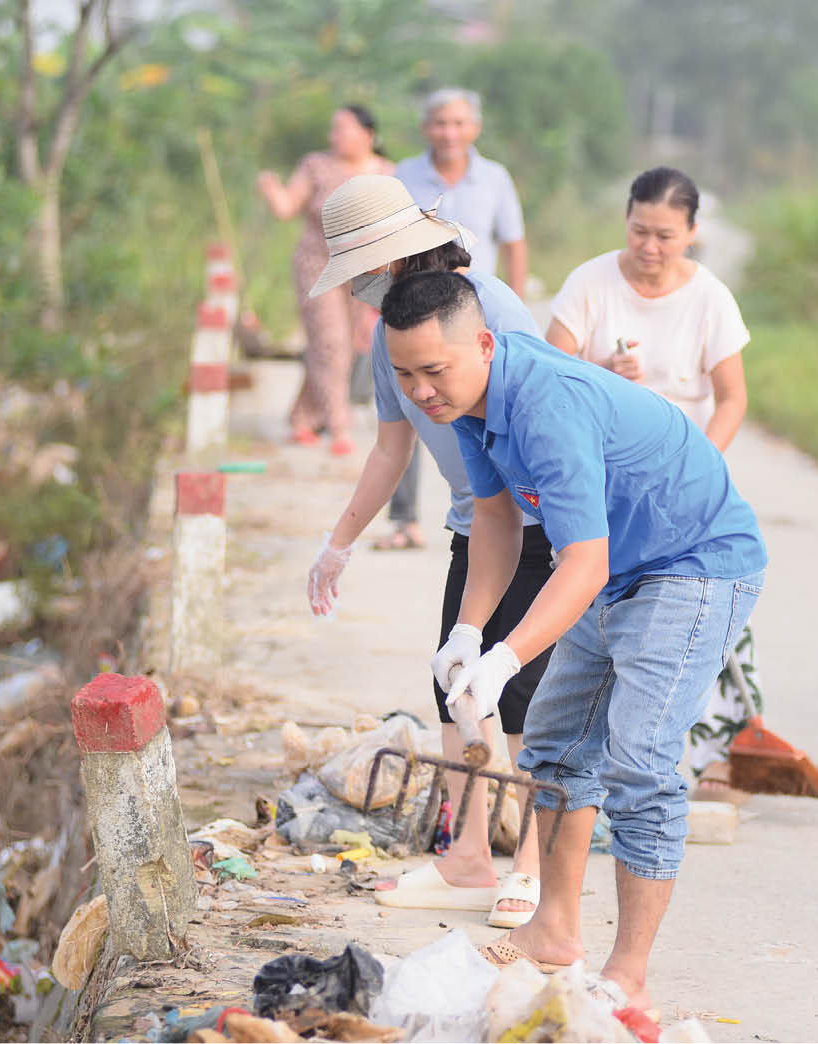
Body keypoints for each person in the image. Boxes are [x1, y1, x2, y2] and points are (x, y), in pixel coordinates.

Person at [380, 269, 766, 1010]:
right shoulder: (469, 405)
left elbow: (580, 561)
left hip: (693, 563)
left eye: (434, 370)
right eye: (405, 374)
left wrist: (506, 656)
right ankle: (553, 932)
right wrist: (467, 629)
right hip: (617, 562)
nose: (422, 390)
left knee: (640, 758)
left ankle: (629, 973)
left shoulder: (545, 403)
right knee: (556, 743)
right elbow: (494, 520)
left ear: (484, 345)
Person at [303, 175, 551, 928]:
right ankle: (468, 854)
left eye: (367, 271)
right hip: (474, 521)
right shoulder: (388, 331)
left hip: (541, 527)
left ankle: (530, 871)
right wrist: (336, 543)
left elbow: (539, 430)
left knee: (524, 697)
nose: (364, 288)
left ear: (406, 254)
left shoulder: (492, 312)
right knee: (455, 684)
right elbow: (389, 447)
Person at [545, 166, 758, 800]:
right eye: (639, 231)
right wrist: (602, 371)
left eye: (665, 235)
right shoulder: (590, 283)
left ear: (692, 233)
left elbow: (732, 399)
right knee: (607, 614)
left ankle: (706, 755)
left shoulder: (710, 299)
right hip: (605, 481)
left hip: (686, 486)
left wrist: (699, 464)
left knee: (698, 617)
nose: (649, 247)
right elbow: (549, 372)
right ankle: (594, 761)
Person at [377, 87, 529, 551]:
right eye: (441, 123)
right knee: (416, 403)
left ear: (474, 129)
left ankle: (507, 510)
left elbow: (513, 240)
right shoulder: (404, 175)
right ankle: (405, 518)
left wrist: (513, 300)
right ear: (426, 128)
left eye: (459, 123)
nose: (449, 133)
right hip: (418, 312)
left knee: (485, 414)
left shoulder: (495, 178)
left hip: (476, 315)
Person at [257, 104, 391, 456]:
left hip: (363, 268)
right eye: (332, 129)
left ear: (368, 134)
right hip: (316, 264)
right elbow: (287, 207)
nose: (334, 136)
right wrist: (271, 189)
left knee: (341, 344)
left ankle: (302, 418)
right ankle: (338, 424)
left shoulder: (387, 172)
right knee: (331, 342)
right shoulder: (316, 165)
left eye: (343, 129)